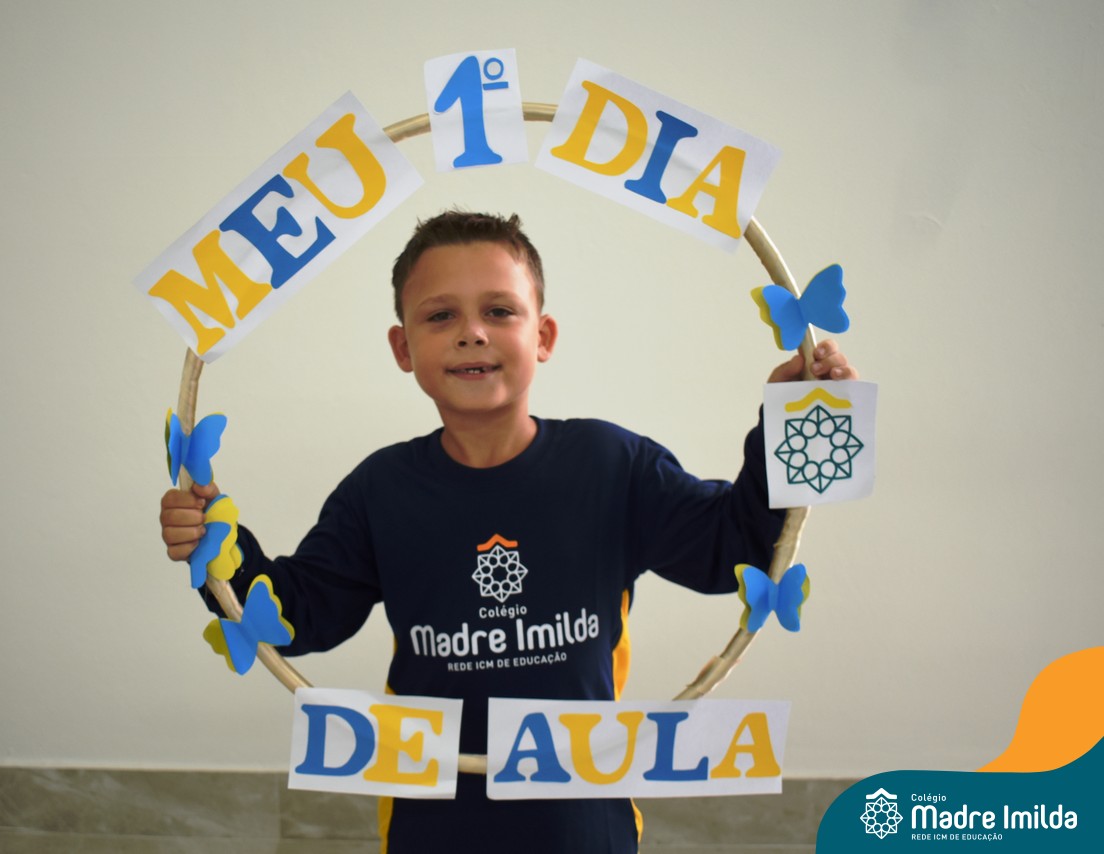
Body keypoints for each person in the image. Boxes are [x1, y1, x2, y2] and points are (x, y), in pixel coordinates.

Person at [159, 211, 859, 853]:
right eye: (441, 316)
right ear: (403, 347)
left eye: (499, 310)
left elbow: (734, 548)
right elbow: (299, 612)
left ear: (542, 336)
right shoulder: (379, 491)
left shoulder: (612, 466)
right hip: (433, 824)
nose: (472, 332)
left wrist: (791, 426)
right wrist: (220, 548)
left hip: (583, 822)